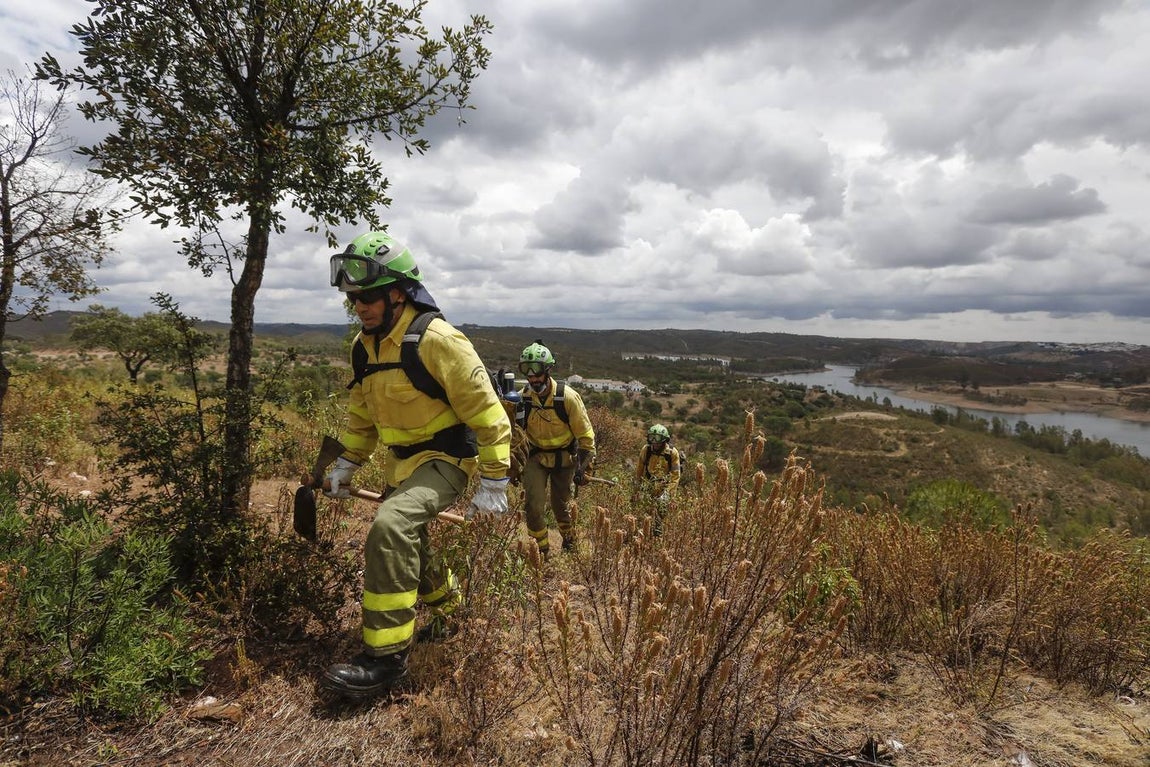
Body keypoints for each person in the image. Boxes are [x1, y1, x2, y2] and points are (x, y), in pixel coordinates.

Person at [321, 231, 511, 699]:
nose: (360, 306)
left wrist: (494, 482)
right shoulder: (362, 348)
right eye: (353, 299)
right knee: (413, 539)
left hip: (448, 459)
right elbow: (363, 416)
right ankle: (452, 613)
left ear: (398, 292)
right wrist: (347, 461)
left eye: (368, 296)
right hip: (401, 466)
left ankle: (386, 660)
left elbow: (489, 416)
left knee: (390, 527)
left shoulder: (439, 340)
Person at [517, 340, 595, 557]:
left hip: (565, 459)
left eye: (537, 371)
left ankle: (570, 544)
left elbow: (586, 437)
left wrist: (584, 468)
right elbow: (516, 434)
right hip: (536, 457)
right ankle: (540, 551)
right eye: (527, 371)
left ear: (548, 370)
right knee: (533, 507)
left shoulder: (567, 398)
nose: (532, 377)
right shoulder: (523, 398)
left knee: (562, 506)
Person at [633, 424, 681, 536]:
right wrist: (637, 490)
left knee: (661, 505)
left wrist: (670, 494)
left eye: (658, 439)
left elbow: (675, 476)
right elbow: (639, 471)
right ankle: (643, 531)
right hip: (649, 482)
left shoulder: (672, 453)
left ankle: (658, 533)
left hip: (665, 485)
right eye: (652, 438)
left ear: (664, 440)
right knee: (643, 507)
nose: (654, 442)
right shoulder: (646, 450)